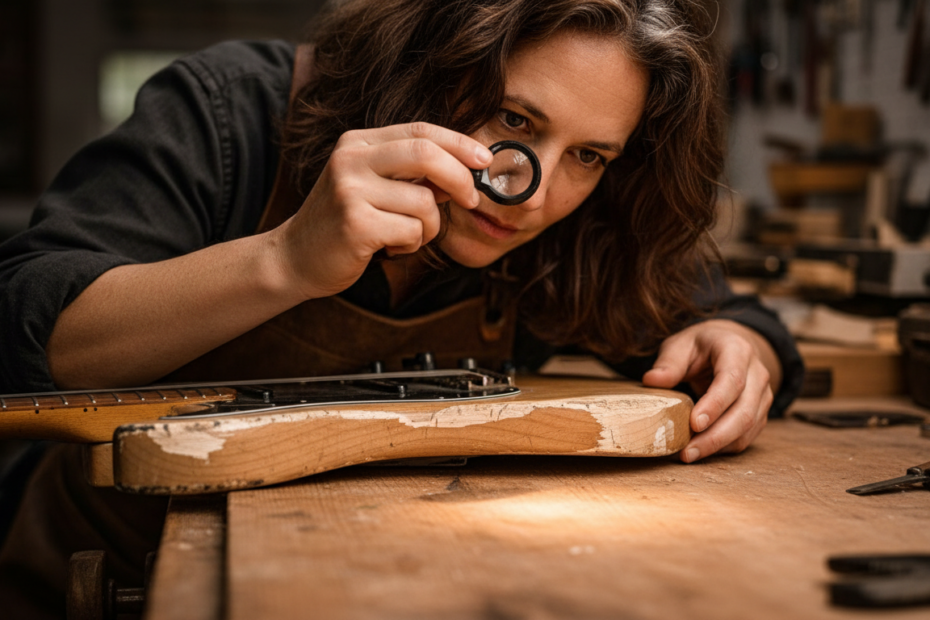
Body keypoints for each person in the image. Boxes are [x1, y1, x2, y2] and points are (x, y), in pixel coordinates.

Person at [0, 0, 804, 616]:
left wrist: (743, 345)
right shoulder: (230, 112)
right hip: (98, 575)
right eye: (515, 121)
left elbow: (724, 320)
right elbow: (34, 334)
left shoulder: (571, 230)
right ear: (432, 62)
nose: (531, 195)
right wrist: (284, 259)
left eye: (589, 155)